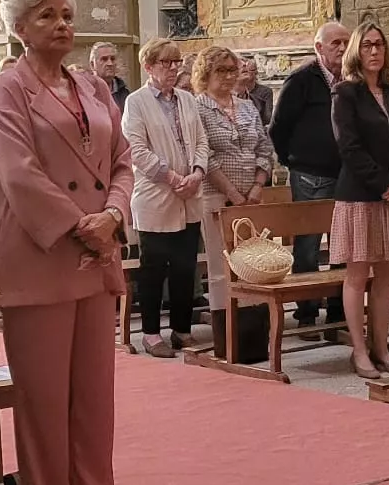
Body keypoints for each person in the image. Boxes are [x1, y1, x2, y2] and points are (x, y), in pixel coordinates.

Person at [0, 0, 134, 485]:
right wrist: (80, 223)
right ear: (20, 28)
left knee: (94, 394)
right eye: (47, 15)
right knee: (45, 397)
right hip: (42, 252)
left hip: (97, 253)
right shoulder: (7, 89)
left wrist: (114, 215)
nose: (63, 24)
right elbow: (18, 173)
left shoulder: (94, 85)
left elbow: (123, 158)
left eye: (68, 14)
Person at [330, 18, 389, 380]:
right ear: (356, 50)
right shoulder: (345, 93)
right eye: (367, 45)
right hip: (359, 195)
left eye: (379, 45)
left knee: (387, 276)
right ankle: (359, 351)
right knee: (358, 274)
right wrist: (384, 183)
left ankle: (382, 347)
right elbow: (348, 147)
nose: (374, 51)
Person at [122, 39, 209, 358]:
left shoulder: (187, 99)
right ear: (148, 67)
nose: (174, 69)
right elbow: (137, 150)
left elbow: (201, 140)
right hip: (156, 195)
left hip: (190, 194)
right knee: (154, 267)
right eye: (166, 63)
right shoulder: (137, 102)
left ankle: (182, 330)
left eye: (177, 63)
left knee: (185, 267)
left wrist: (197, 173)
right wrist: (173, 178)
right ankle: (150, 333)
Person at [194, 45, 275, 360]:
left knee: (254, 266)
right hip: (217, 196)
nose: (229, 77)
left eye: (232, 70)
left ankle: (255, 341)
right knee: (221, 266)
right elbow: (205, 155)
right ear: (206, 74)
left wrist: (257, 185)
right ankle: (228, 342)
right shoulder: (198, 108)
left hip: (252, 198)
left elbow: (264, 146)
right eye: (222, 71)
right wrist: (232, 193)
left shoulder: (246, 107)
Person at [271, 20, 351, 327]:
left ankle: (338, 312)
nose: (343, 48)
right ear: (319, 47)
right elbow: (279, 126)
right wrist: (292, 161)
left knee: (342, 244)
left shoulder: (350, 78)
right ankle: (306, 314)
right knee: (308, 245)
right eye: (336, 43)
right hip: (309, 175)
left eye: (346, 42)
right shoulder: (302, 79)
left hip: (345, 175)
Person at [90, 41, 131, 110]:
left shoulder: (125, 93)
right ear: (92, 65)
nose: (110, 63)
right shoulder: (85, 92)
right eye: (104, 59)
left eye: (112, 59)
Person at [238, 55, 273, 126]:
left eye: (248, 70)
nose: (246, 72)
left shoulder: (263, 94)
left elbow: (267, 118)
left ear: (256, 72)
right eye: (244, 71)